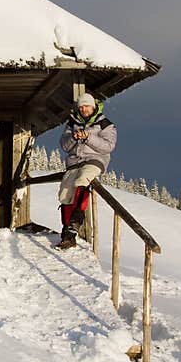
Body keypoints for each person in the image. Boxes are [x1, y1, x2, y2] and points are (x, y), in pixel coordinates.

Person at [56, 92, 116, 249]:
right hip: (75, 162)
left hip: (95, 160)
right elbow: (64, 145)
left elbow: (108, 146)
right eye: (81, 107)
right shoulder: (72, 123)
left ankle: (75, 223)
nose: (84, 109)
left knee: (83, 180)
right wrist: (74, 138)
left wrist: (88, 137)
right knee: (64, 193)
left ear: (93, 106)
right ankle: (66, 230)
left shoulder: (105, 124)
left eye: (87, 106)